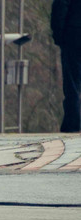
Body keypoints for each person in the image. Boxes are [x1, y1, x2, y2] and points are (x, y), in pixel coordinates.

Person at [52, 0, 81, 133]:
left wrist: (59, 36)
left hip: (73, 33)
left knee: (72, 82)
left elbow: (60, 7)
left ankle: (72, 123)